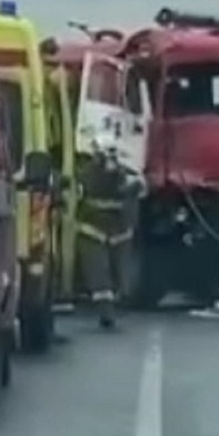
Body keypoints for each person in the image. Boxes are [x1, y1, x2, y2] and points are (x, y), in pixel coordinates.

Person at [75, 138, 137, 330]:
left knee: (119, 278)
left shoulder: (125, 176)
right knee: (99, 275)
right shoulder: (88, 175)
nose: (110, 159)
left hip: (119, 233)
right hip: (93, 232)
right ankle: (106, 312)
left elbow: (136, 191)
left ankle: (113, 304)